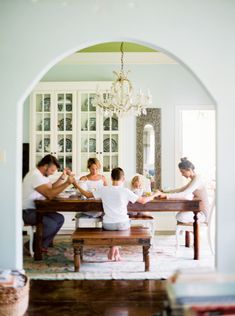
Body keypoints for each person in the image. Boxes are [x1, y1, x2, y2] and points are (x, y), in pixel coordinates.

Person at [74, 167, 158, 261]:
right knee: (122, 224)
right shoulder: (126, 191)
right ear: (123, 179)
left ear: (111, 178)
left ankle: (114, 249)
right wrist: (155, 195)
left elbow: (87, 195)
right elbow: (143, 201)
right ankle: (115, 250)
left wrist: (76, 185)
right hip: (123, 224)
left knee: (112, 227)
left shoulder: (103, 190)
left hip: (108, 225)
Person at [22, 154, 75, 253]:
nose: (52, 173)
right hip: (27, 212)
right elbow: (50, 194)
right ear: (45, 166)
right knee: (51, 224)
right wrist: (67, 183)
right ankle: (31, 245)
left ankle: (42, 245)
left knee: (59, 218)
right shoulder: (35, 176)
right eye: (52, 170)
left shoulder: (42, 175)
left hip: (39, 209)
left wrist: (63, 177)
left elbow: (51, 188)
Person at [156, 157, 209, 223]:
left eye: (183, 172)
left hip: (203, 214)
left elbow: (185, 193)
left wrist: (166, 195)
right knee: (179, 215)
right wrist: (164, 191)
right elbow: (180, 190)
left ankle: (192, 231)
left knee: (180, 216)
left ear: (189, 170)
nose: (182, 174)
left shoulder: (198, 179)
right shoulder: (194, 179)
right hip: (198, 211)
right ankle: (190, 231)